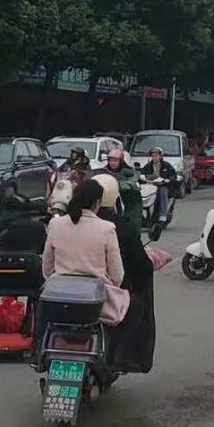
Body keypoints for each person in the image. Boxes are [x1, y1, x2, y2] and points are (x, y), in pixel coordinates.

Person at [40, 179, 130, 325]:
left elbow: (47, 267)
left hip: (58, 296)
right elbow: (117, 275)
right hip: (94, 301)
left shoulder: (55, 224)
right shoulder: (106, 228)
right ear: (97, 203)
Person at [93, 173, 159, 372]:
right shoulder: (115, 228)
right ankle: (123, 355)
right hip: (104, 289)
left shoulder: (65, 223)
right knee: (137, 303)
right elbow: (121, 273)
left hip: (65, 288)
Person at [142, 147, 179, 228]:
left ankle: (163, 214)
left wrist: (167, 180)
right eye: (153, 156)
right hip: (150, 187)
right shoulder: (148, 166)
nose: (154, 157)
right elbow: (141, 175)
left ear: (160, 156)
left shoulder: (167, 165)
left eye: (156, 155)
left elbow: (173, 175)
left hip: (163, 186)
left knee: (163, 190)